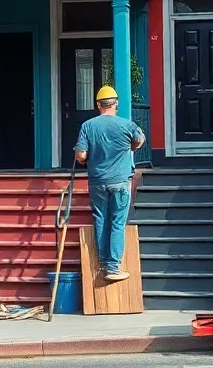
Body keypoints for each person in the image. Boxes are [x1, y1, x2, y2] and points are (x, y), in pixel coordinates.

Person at [73, 86, 144, 282]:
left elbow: (81, 154)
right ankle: (113, 268)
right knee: (117, 223)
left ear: (98, 105)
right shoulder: (127, 125)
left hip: (97, 181)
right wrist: (129, 147)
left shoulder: (88, 126)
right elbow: (140, 141)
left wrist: (83, 159)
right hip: (121, 180)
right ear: (116, 104)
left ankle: (103, 263)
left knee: (101, 220)